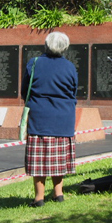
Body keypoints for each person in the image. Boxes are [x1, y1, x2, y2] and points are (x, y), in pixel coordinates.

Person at [21, 31, 77, 205]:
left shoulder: (34, 63)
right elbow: (74, 91)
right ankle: (58, 193)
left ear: (46, 44)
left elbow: (25, 90)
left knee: (39, 160)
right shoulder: (70, 67)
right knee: (58, 158)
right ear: (65, 47)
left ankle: (39, 197)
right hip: (64, 118)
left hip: (40, 117)